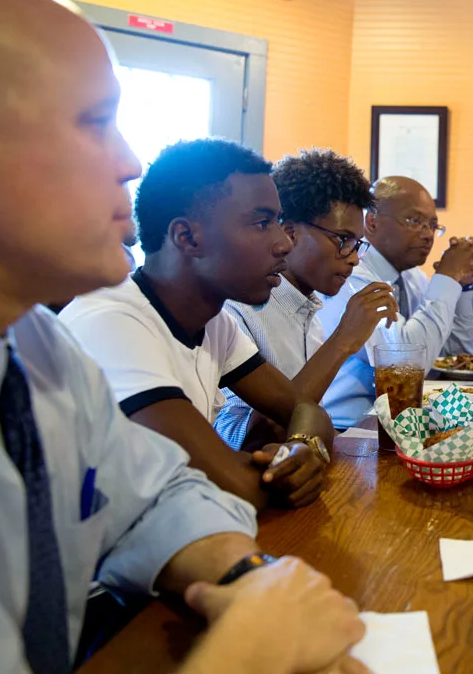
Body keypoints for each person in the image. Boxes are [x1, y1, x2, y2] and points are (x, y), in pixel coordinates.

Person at [0, 0, 364, 674]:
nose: (128, 163)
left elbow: (155, 496)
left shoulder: (33, 345)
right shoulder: (95, 326)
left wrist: (247, 583)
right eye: (95, 124)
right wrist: (253, 652)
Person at [60, 139, 334, 512]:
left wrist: (304, 446)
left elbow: (305, 408)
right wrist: (288, 471)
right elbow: (230, 486)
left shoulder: (215, 322)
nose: (283, 243)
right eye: (261, 223)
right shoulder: (112, 322)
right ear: (187, 237)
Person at [217, 148, 399, 450]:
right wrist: (343, 340)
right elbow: (250, 441)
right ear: (289, 233)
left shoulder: (308, 309)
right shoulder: (237, 310)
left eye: (357, 244)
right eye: (343, 241)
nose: (353, 259)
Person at [316, 176, 473, 427]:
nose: (428, 234)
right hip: (347, 429)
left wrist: (464, 284)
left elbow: (455, 350)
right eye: (415, 221)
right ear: (371, 222)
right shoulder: (352, 276)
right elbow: (404, 365)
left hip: (397, 421)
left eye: (433, 225)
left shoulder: (412, 278)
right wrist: (448, 277)